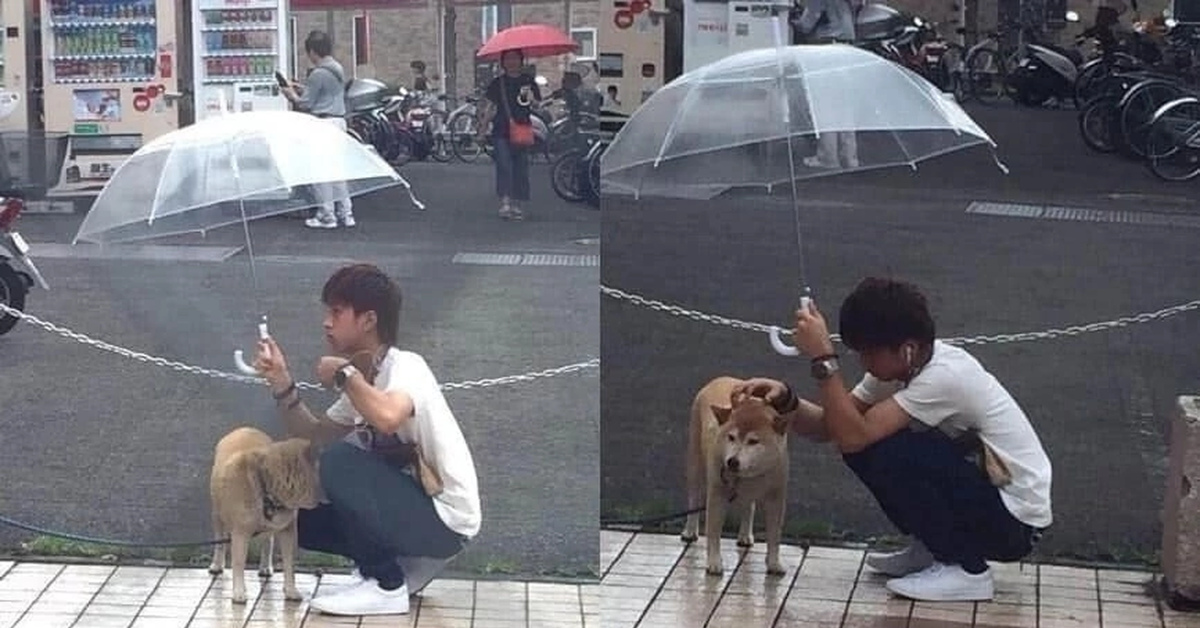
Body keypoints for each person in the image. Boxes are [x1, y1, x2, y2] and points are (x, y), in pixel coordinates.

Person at [732, 277, 1053, 603]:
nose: (863, 362)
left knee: (886, 449)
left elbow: (854, 436)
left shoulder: (945, 376)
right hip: (991, 502)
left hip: (1016, 524)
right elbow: (831, 428)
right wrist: (786, 400)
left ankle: (966, 569)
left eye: (868, 353)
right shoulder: (905, 367)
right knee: (874, 445)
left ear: (907, 349)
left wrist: (823, 360)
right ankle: (933, 547)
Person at [253, 263, 481, 616]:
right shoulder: (363, 381)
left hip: (444, 521)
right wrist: (281, 380)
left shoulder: (407, 367)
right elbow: (313, 435)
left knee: (340, 462)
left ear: (369, 320)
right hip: (412, 511)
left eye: (337, 311)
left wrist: (344, 374)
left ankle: (386, 583)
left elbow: (388, 417)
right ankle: (383, 572)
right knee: (301, 521)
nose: (326, 322)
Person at [281, 30, 356, 230]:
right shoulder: (336, 68)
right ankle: (346, 213)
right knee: (338, 171)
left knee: (320, 171)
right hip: (339, 122)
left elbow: (305, 104)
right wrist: (302, 87)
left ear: (313, 51)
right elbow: (324, 93)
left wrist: (290, 94)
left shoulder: (318, 73)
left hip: (323, 124)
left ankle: (326, 215)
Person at [794, 0, 860, 169]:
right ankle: (850, 158)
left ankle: (828, 157)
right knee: (845, 108)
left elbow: (806, 25)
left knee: (826, 106)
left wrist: (793, 18)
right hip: (847, 49)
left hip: (828, 51)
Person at [478, 49, 541, 221]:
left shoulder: (528, 81)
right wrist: (483, 130)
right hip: (501, 129)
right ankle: (505, 203)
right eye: (507, 59)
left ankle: (517, 204)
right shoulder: (498, 83)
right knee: (504, 165)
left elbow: (536, 105)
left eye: (515, 58)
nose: (511, 62)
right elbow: (490, 107)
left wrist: (531, 97)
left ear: (521, 61)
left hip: (523, 128)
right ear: (503, 62)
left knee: (520, 167)